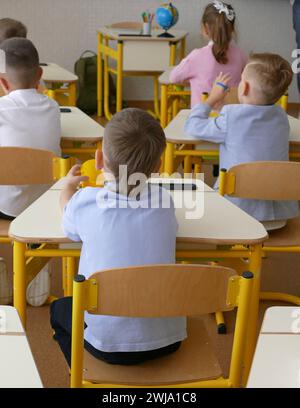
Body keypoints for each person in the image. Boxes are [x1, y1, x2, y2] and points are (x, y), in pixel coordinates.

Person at [50, 108, 186, 367]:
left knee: (59, 310)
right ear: (157, 167)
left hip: (106, 344)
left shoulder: (86, 202)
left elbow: (67, 220)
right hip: (169, 340)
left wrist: (67, 187)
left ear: (99, 159)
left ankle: (84, 373)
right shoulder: (164, 202)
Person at [184, 53, 299, 227]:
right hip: (278, 216)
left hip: (236, 212)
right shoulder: (281, 116)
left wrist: (210, 100)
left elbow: (192, 126)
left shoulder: (230, 118)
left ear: (243, 87)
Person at [0, 38, 61, 305]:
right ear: (40, 76)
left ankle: (3, 265)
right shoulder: (53, 108)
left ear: (2, 83)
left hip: (7, 207)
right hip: (43, 206)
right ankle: (36, 265)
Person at [169, 1, 247, 107]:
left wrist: (193, 82)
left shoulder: (196, 56)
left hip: (203, 119)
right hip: (232, 119)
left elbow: (173, 78)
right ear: (232, 29)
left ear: (205, 28)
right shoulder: (241, 55)